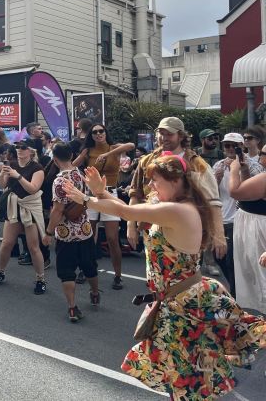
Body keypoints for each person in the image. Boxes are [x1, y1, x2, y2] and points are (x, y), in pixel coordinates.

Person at [66, 155, 266, 400]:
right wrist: (100, 193)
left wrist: (86, 199)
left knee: (188, 377)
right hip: (177, 301)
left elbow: (126, 211)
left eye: (155, 180)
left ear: (175, 181)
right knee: (184, 374)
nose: (151, 185)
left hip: (186, 304)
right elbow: (132, 211)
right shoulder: (173, 205)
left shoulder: (178, 210)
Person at [129, 117, 227, 265]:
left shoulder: (197, 164)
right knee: (156, 274)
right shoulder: (147, 161)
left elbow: (213, 202)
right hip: (153, 232)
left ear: (181, 136)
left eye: (169, 134)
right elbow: (135, 194)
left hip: (186, 230)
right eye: (161, 133)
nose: (164, 138)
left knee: (186, 273)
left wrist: (219, 235)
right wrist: (131, 226)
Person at [73, 124, 134, 290]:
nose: (98, 134)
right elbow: (73, 165)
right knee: (88, 236)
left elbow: (131, 145)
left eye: (101, 131)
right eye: (94, 132)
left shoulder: (114, 148)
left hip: (110, 193)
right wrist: (83, 154)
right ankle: (86, 270)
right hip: (92, 194)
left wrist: (107, 154)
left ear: (106, 133)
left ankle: (118, 275)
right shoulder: (88, 150)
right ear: (91, 135)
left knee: (112, 238)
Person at [42, 144, 100, 321]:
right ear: (72, 155)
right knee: (90, 266)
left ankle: (72, 307)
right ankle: (95, 292)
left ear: (54, 159)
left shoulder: (59, 181)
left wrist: (48, 232)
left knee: (67, 271)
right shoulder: (79, 173)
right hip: (84, 229)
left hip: (65, 233)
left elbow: (58, 210)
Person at [0, 141, 47, 295]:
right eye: (17, 147)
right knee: (7, 243)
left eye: (23, 147)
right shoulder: (12, 164)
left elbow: (33, 189)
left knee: (33, 247)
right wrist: (3, 173)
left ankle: (40, 279)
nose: (19, 150)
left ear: (31, 151)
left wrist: (18, 176)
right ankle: (0, 272)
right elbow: (1, 185)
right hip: (13, 207)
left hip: (29, 207)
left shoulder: (37, 168)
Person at [212, 133, 263, 297]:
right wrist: (216, 179)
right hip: (221, 218)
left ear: (241, 146)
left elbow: (245, 193)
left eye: (234, 145)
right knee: (219, 257)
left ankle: (236, 295)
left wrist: (240, 170)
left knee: (233, 261)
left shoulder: (253, 165)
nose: (230, 149)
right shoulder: (218, 165)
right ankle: (237, 290)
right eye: (226, 145)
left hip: (240, 220)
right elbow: (211, 194)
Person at [229, 141, 266, 312]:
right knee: (252, 275)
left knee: (258, 276)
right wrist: (244, 171)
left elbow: (236, 192)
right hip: (252, 224)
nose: (260, 157)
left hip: (257, 227)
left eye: (263, 154)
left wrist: (234, 168)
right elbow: (249, 193)